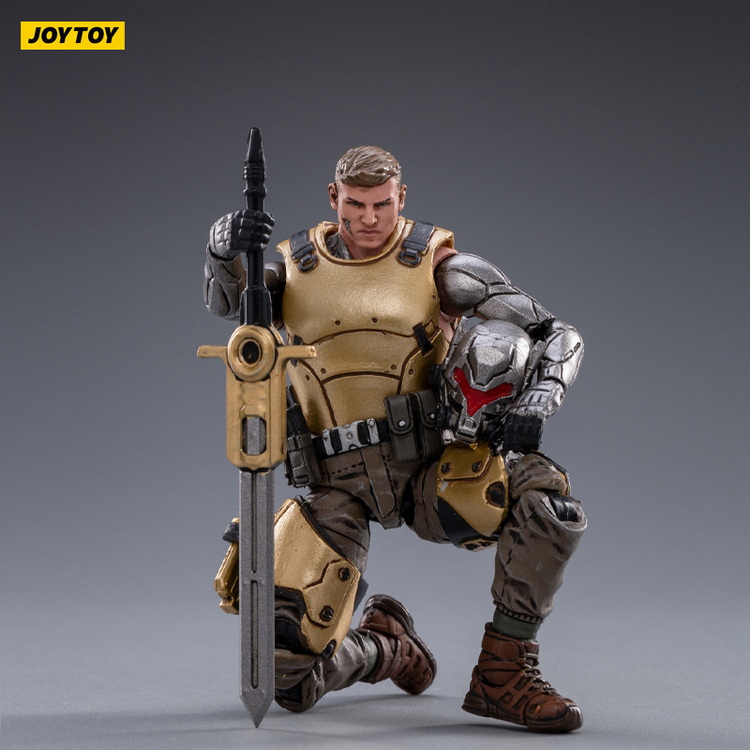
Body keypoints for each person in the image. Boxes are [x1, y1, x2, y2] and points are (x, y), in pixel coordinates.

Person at [204, 146, 586, 732]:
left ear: (400, 198)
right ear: (334, 198)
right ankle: (385, 646)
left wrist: (539, 399)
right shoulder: (289, 271)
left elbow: (556, 333)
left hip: (434, 471)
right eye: (355, 205)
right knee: (286, 676)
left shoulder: (440, 268)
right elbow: (229, 305)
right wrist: (222, 248)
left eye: (382, 204)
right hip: (337, 484)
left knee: (546, 500)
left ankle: (503, 674)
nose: (369, 218)